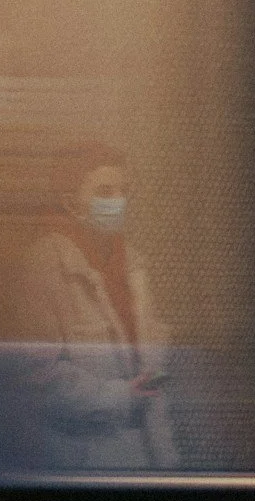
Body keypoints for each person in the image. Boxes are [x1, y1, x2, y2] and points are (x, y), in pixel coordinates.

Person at [23, 143, 177, 471]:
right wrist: (122, 395)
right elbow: (39, 377)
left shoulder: (135, 266)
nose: (118, 201)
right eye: (105, 191)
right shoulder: (45, 266)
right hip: (88, 462)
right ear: (71, 203)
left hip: (150, 457)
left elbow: (154, 358)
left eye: (124, 191)